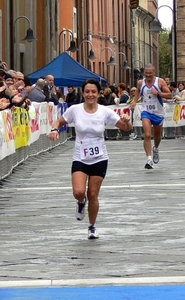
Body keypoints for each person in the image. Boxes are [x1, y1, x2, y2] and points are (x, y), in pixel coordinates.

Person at [48, 78, 132, 239]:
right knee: (79, 192)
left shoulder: (105, 111)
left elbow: (125, 128)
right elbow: (60, 121)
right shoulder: (75, 110)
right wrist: (54, 129)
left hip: (99, 157)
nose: (90, 94)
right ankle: (81, 203)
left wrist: (127, 121)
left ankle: (92, 226)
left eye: (93, 91)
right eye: (87, 91)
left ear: (99, 94)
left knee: (93, 194)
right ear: (83, 93)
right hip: (80, 156)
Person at [131, 63, 171, 169]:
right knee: (147, 134)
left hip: (158, 112)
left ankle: (156, 148)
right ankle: (149, 159)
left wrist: (158, 93)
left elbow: (169, 94)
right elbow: (138, 91)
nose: (148, 75)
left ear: (154, 73)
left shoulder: (160, 81)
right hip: (146, 111)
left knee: (157, 136)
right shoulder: (140, 82)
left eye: (150, 73)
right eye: (146, 73)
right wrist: (134, 102)